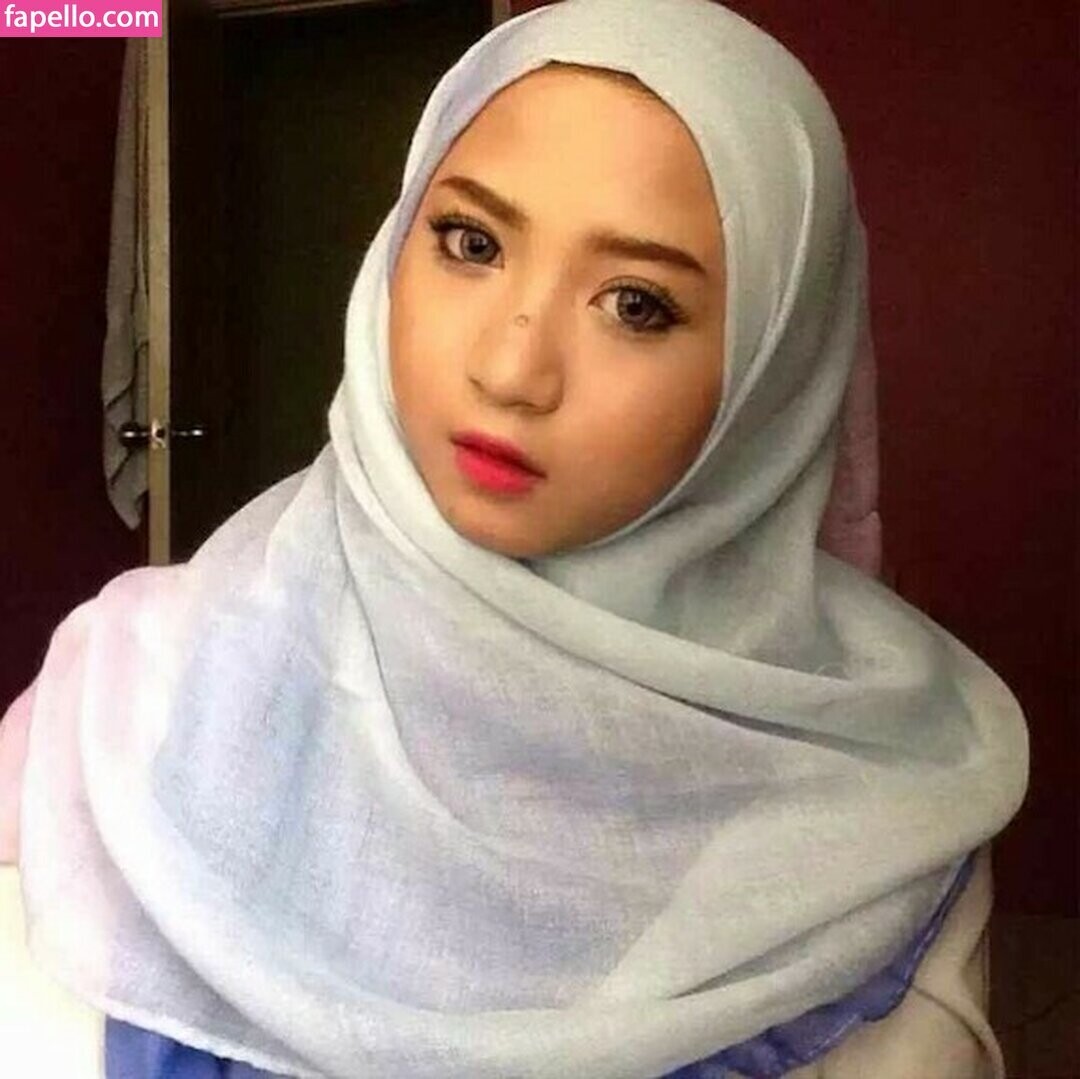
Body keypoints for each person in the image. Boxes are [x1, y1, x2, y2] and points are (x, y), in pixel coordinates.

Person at [0, 1, 1028, 1076]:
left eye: (636, 304)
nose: (510, 370)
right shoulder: (124, 688)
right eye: (472, 242)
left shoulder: (876, 805)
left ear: (772, 376)